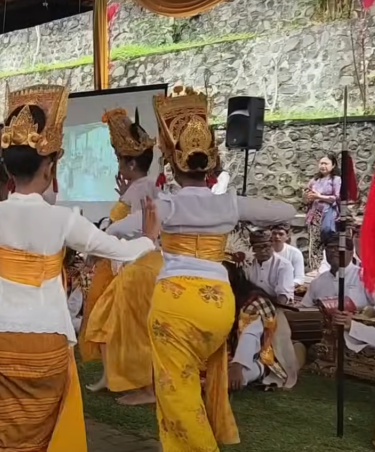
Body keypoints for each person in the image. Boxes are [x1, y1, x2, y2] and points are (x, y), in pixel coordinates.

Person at [0, 84, 160, 451]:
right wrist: (149, 237)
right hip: (46, 341)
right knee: (44, 439)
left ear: (9, 169)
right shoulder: (62, 220)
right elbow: (122, 252)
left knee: (5, 439)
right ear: (49, 165)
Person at [105, 85, 296, 451]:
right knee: (196, 374)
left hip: (174, 306)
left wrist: (142, 218)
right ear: (210, 163)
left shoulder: (166, 206)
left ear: (173, 164)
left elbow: (114, 231)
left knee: (177, 388)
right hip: (218, 308)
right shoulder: (228, 205)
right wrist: (240, 208)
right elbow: (285, 212)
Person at [79, 107, 162, 406]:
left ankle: (147, 387)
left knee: (129, 326)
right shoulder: (141, 187)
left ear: (130, 161)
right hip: (131, 264)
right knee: (109, 321)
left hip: (140, 266)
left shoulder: (144, 190)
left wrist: (97, 245)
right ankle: (114, 375)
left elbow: (128, 227)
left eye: (118, 159)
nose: (117, 165)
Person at [301, 231, 375, 315]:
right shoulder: (318, 281)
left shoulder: (364, 276)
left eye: (339, 248)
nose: (334, 251)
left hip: (356, 334)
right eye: (330, 248)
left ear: (351, 253)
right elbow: (305, 307)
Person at [229, 282, 301, 391]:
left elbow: (250, 335)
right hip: (232, 354)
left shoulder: (255, 303)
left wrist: (237, 365)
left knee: (226, 380)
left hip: (264, 358)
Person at [304, 153, 341, 269]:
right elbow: (306, 195)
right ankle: (315, 270)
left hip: (328, 215)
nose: (323, 166)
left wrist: (319, 197)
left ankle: (328, 269)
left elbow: (337, 197)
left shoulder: (336, 179)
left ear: (333, 165)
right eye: (321, 163)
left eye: (326, 163)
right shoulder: (315, 180)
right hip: (314, 215)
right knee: (314, 245)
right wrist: (307, 196)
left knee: (329, 244)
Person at [243, 229, 296, 303]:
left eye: (266, 246)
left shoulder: (283, 265)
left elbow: (283, 295)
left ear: (272, 245)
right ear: (252, 249)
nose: (263, 250)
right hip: (251, 303)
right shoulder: (247, 263)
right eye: (258, 247)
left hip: (276, 304)